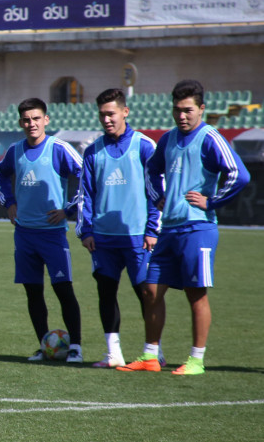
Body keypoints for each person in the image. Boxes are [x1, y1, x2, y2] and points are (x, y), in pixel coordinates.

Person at [117, 80, 250, 375]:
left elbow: (239, 175)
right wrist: (158, 197)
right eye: (177, 110)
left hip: (198, 229)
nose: (182, 116)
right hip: (170, 230)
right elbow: (151, 169)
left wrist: (211, 201)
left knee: (195, 293)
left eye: (188, 110)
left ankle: (196, 359)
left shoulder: (210, 138)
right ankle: (151, 356)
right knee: (150, 291)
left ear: (201, 109)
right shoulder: (167, 139)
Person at [0, 98, 84, 363]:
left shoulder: (59, 148)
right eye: (26, 119)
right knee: (33, 292)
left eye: (36, 118)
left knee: (63, 289)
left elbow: (85, 175)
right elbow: (0, 173)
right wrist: (9, 203)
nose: (31, 124)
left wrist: (68, 209)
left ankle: (76, 347)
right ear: (20, 122)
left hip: (52, 234)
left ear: (46, 120)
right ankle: (45, 345)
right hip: (24, 234)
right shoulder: (15, 150)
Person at [76, 88, 161, 368]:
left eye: (111, 113)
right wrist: (86, 231)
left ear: (125, 112)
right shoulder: (92, 151)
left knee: (146, 294)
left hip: (138, 236)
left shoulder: (145, 146)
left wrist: (152, 230)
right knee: (106, 292)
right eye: (102, 115)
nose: (106, 119)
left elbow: (156, 192)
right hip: (103, 238)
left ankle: (153, 351)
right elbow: (85, 195)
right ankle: (113, 354)